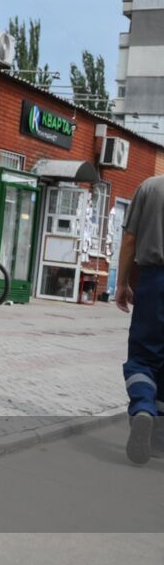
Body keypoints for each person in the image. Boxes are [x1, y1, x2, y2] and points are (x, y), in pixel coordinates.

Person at [115, 173, 164, 465]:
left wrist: (122, 283)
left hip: (154, 281)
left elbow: (130, 240)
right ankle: (158, 439)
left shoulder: (149, 187)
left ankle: (143, 408)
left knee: (143, 357)